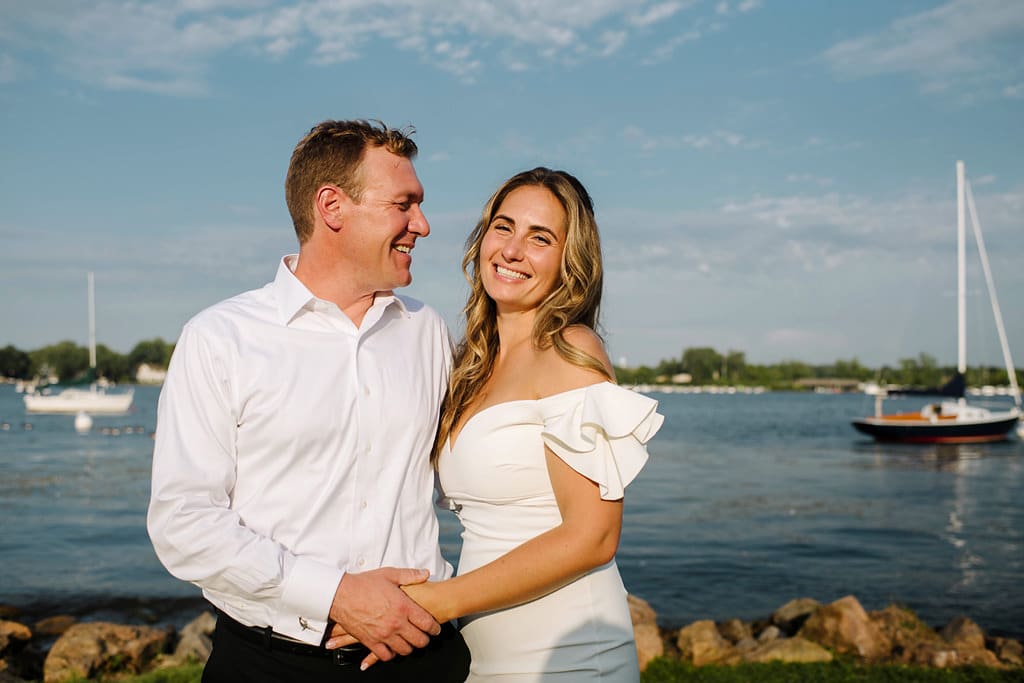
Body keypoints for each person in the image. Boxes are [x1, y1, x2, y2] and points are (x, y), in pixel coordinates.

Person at [147, 119, 470, 682]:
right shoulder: (221, 338)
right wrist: (336, 595)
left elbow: (461, 482)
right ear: (332, 207)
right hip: (270, 665)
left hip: (423, 658)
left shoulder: (427, 331)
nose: (422, 224)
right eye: (404, 204)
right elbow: (184, 521)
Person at [330, 167, 664, 680]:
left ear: (569, 262)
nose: (512, 250)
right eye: (504, 227)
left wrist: (435, 603)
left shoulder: (571, 351)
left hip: (568, 654)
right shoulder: (471, 364)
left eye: (540, 238)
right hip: (485, 649)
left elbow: (592, 536)